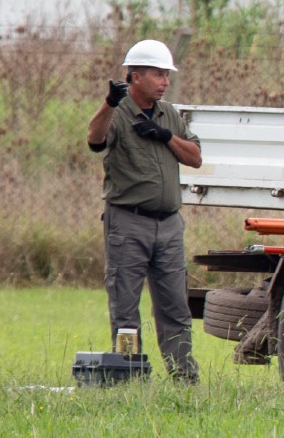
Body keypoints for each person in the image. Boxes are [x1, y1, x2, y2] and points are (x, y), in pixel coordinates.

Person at [86, 39, 203, 383]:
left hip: (168, 225)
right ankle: (129, 375)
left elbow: (195, 157)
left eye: (167, 74)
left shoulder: (169, 114)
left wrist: (165, 136)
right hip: (128, 223)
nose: (165, 81)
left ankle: (184, 378)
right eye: (158, 74)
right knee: (125, 308)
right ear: (135, 76)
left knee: (175, 308)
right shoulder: (119, 112)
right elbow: (94, 140)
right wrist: (109, 103)